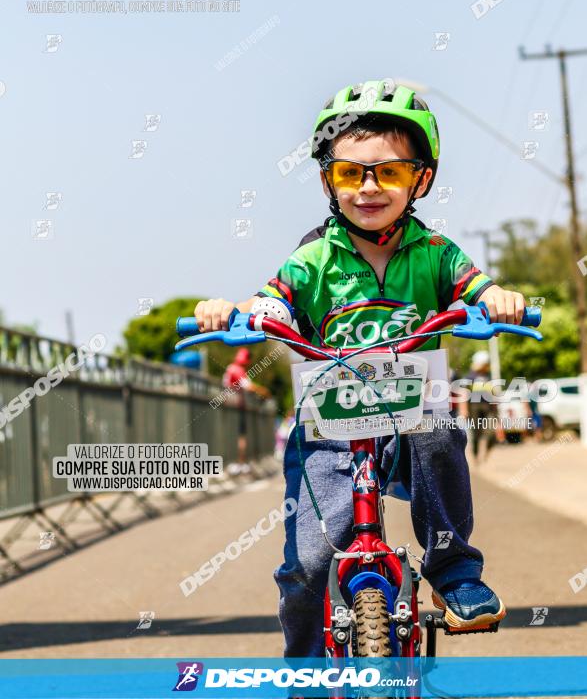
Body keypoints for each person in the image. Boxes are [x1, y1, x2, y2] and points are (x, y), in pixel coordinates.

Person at [194, 79, 526, 651]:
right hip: (329, 427)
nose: (369, 188)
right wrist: (235, 312)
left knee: (437, 427)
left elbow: (476, 289)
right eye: (351, 173)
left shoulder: (436, 253)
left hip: (409, 413)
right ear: (329, 180)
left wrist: (496, 298)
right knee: (306, 568)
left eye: (389, 172)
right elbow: (273, 300)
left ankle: (453, 571)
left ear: (420, 178)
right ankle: (302, 670)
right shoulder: (314, 258)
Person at [222, 347, 270, 474]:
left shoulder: (231, 368)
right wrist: (263, 391)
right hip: (235, 407)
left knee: (238, 435)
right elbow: (247, 386)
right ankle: (239, 463)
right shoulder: (236, 369)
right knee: (240, 435)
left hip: (231, 406)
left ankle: (239, 462)